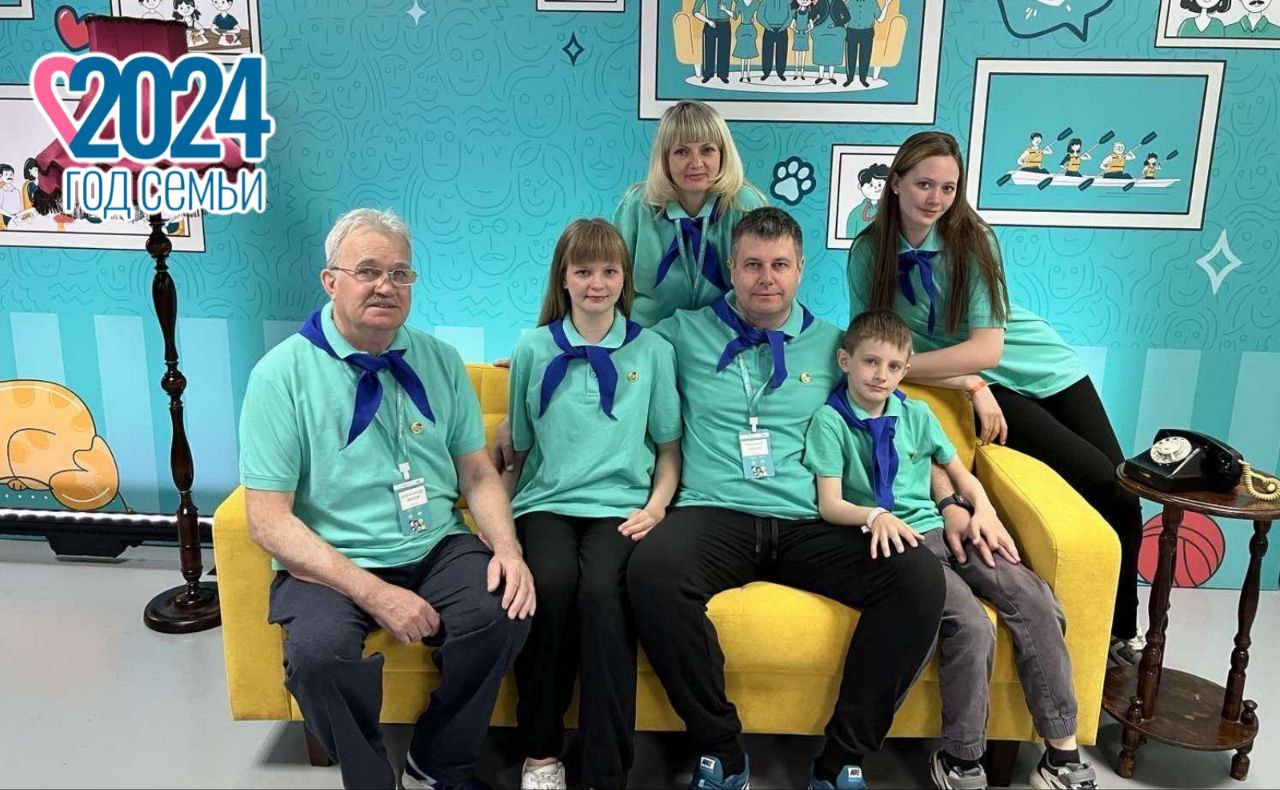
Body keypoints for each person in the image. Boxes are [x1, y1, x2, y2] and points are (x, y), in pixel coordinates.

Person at [627, 206, 945, 790]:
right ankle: (721, 751)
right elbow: (616, 347)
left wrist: (975, 388)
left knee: (918, 576)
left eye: (779, 265)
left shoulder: (834, 346)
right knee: (651, 571)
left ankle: (842, 759)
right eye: (752, 265)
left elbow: (896, 386)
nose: (765, 278)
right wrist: (529, 372)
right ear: (731, 268)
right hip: (715, 513)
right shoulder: (682, 332)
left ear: (800, 269)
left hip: (809, 520)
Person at [239, 208, 535, 790]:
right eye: (369, 270)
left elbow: (476, 473)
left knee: (506, 611)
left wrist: (508, 549)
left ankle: (438, 761)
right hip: (331, 554)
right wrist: (375, 593)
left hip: (434, 542)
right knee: (318, 656)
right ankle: (372, 776)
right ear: (331, 281)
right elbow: (268, 520)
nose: (386, 285)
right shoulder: (280, 376)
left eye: (400, 273)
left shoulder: (438, 360)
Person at [845, 131, 1145, 666]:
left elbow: (987, 348)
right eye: (924, 184)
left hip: (1041, 365)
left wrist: (907, 370)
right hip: (988, 384)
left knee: (1119, 489)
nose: (936, 198)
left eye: (948, 188)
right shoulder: (870, 251)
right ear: (895, 184)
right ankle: (1108, 639)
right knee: (1095, 476)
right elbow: (871, 341)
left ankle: (1123, 631)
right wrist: (969, 384)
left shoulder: (972, 239)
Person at [804, 309, 1099, 790]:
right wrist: (874, 516)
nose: (880, 375)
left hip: (943, 528)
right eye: (870, 362)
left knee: (1034, 597)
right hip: (895, 544)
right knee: (971, 624)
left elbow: (961, 476)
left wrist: (982, 511)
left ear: (906, 368)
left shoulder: (917, 414)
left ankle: (1061, 751)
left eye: (893, 366)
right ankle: (962, 758)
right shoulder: (829, 422)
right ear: (845, 361)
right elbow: (830, 504)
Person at [504, 218, 683, 790]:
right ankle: (541, 755)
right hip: (547, 504)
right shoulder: (532, 348)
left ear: (625, 278)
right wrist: (500, 530)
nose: (597, 283)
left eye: (609, 271)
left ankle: (606, 770)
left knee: (604, 595)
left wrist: (657, 507)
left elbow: (669, 450)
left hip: (621, 506)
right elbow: (519, 454)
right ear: (563, 277)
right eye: (583, 271)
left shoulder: (652, 350)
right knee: (549, 587)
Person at [613, 100, 768, 327]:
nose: (696, 163)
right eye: (681, 152)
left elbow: (765, 280)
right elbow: (611, 278)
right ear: (664, 158)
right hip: (647, 333)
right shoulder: (637, 206)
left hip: (723, 334)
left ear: (723, 154)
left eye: (707, 150)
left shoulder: (745, 205)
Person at [843, 0, 887, 88]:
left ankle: (863, 79)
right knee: (850, 56)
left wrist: (886, 4)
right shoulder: (849, 2)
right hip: (852, 31)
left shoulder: (872, 2)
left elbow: (880, 19)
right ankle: (850, 78)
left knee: (865, 57)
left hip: (867, 32)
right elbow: (842, 16)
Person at [844, 162, 888, 239]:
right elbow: (849, 238)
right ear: (860, 186)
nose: (875, 188)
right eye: (871, 185)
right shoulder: (856, 212)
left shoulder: (892, 211)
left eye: (879, 185)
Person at [692, 0, 733, 83]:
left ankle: (723, 75)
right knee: (708, 50)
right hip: (709, 24)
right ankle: (707, 74)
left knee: (724, 50)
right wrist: (708, 21)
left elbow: (741, 4)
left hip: (725, 24)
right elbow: (695, 11)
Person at [809, 0, 849, 85]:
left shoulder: (838, 2)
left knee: (833, 53)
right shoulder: (821, 2)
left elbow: (847, 17)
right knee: (820, 53)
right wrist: (815, 20)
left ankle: (831, 76)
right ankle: (820, 76)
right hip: (821, 30)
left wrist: (836, 24)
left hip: (835, 31)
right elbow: (812, 15)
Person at [757, 0, 795, 81]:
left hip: (782, 30)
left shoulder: (788, 2)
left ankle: (780, 72)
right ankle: (766, 72)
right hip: (768, 29)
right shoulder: (765, 1)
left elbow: (791, 15)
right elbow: (760, 16)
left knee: (782, 52)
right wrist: (768, 27)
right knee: (767, 52)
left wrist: (784, 27)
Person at [731, 0, 761, 83]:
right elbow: (735, 16)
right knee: (742, 53)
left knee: (750, 53)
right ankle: (742, 75)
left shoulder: (756, 3)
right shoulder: (740, 3)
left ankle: (748, 75)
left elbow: (759, 14)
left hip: (751, 29)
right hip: (742, 29)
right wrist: (725, 10)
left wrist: (754, 18)